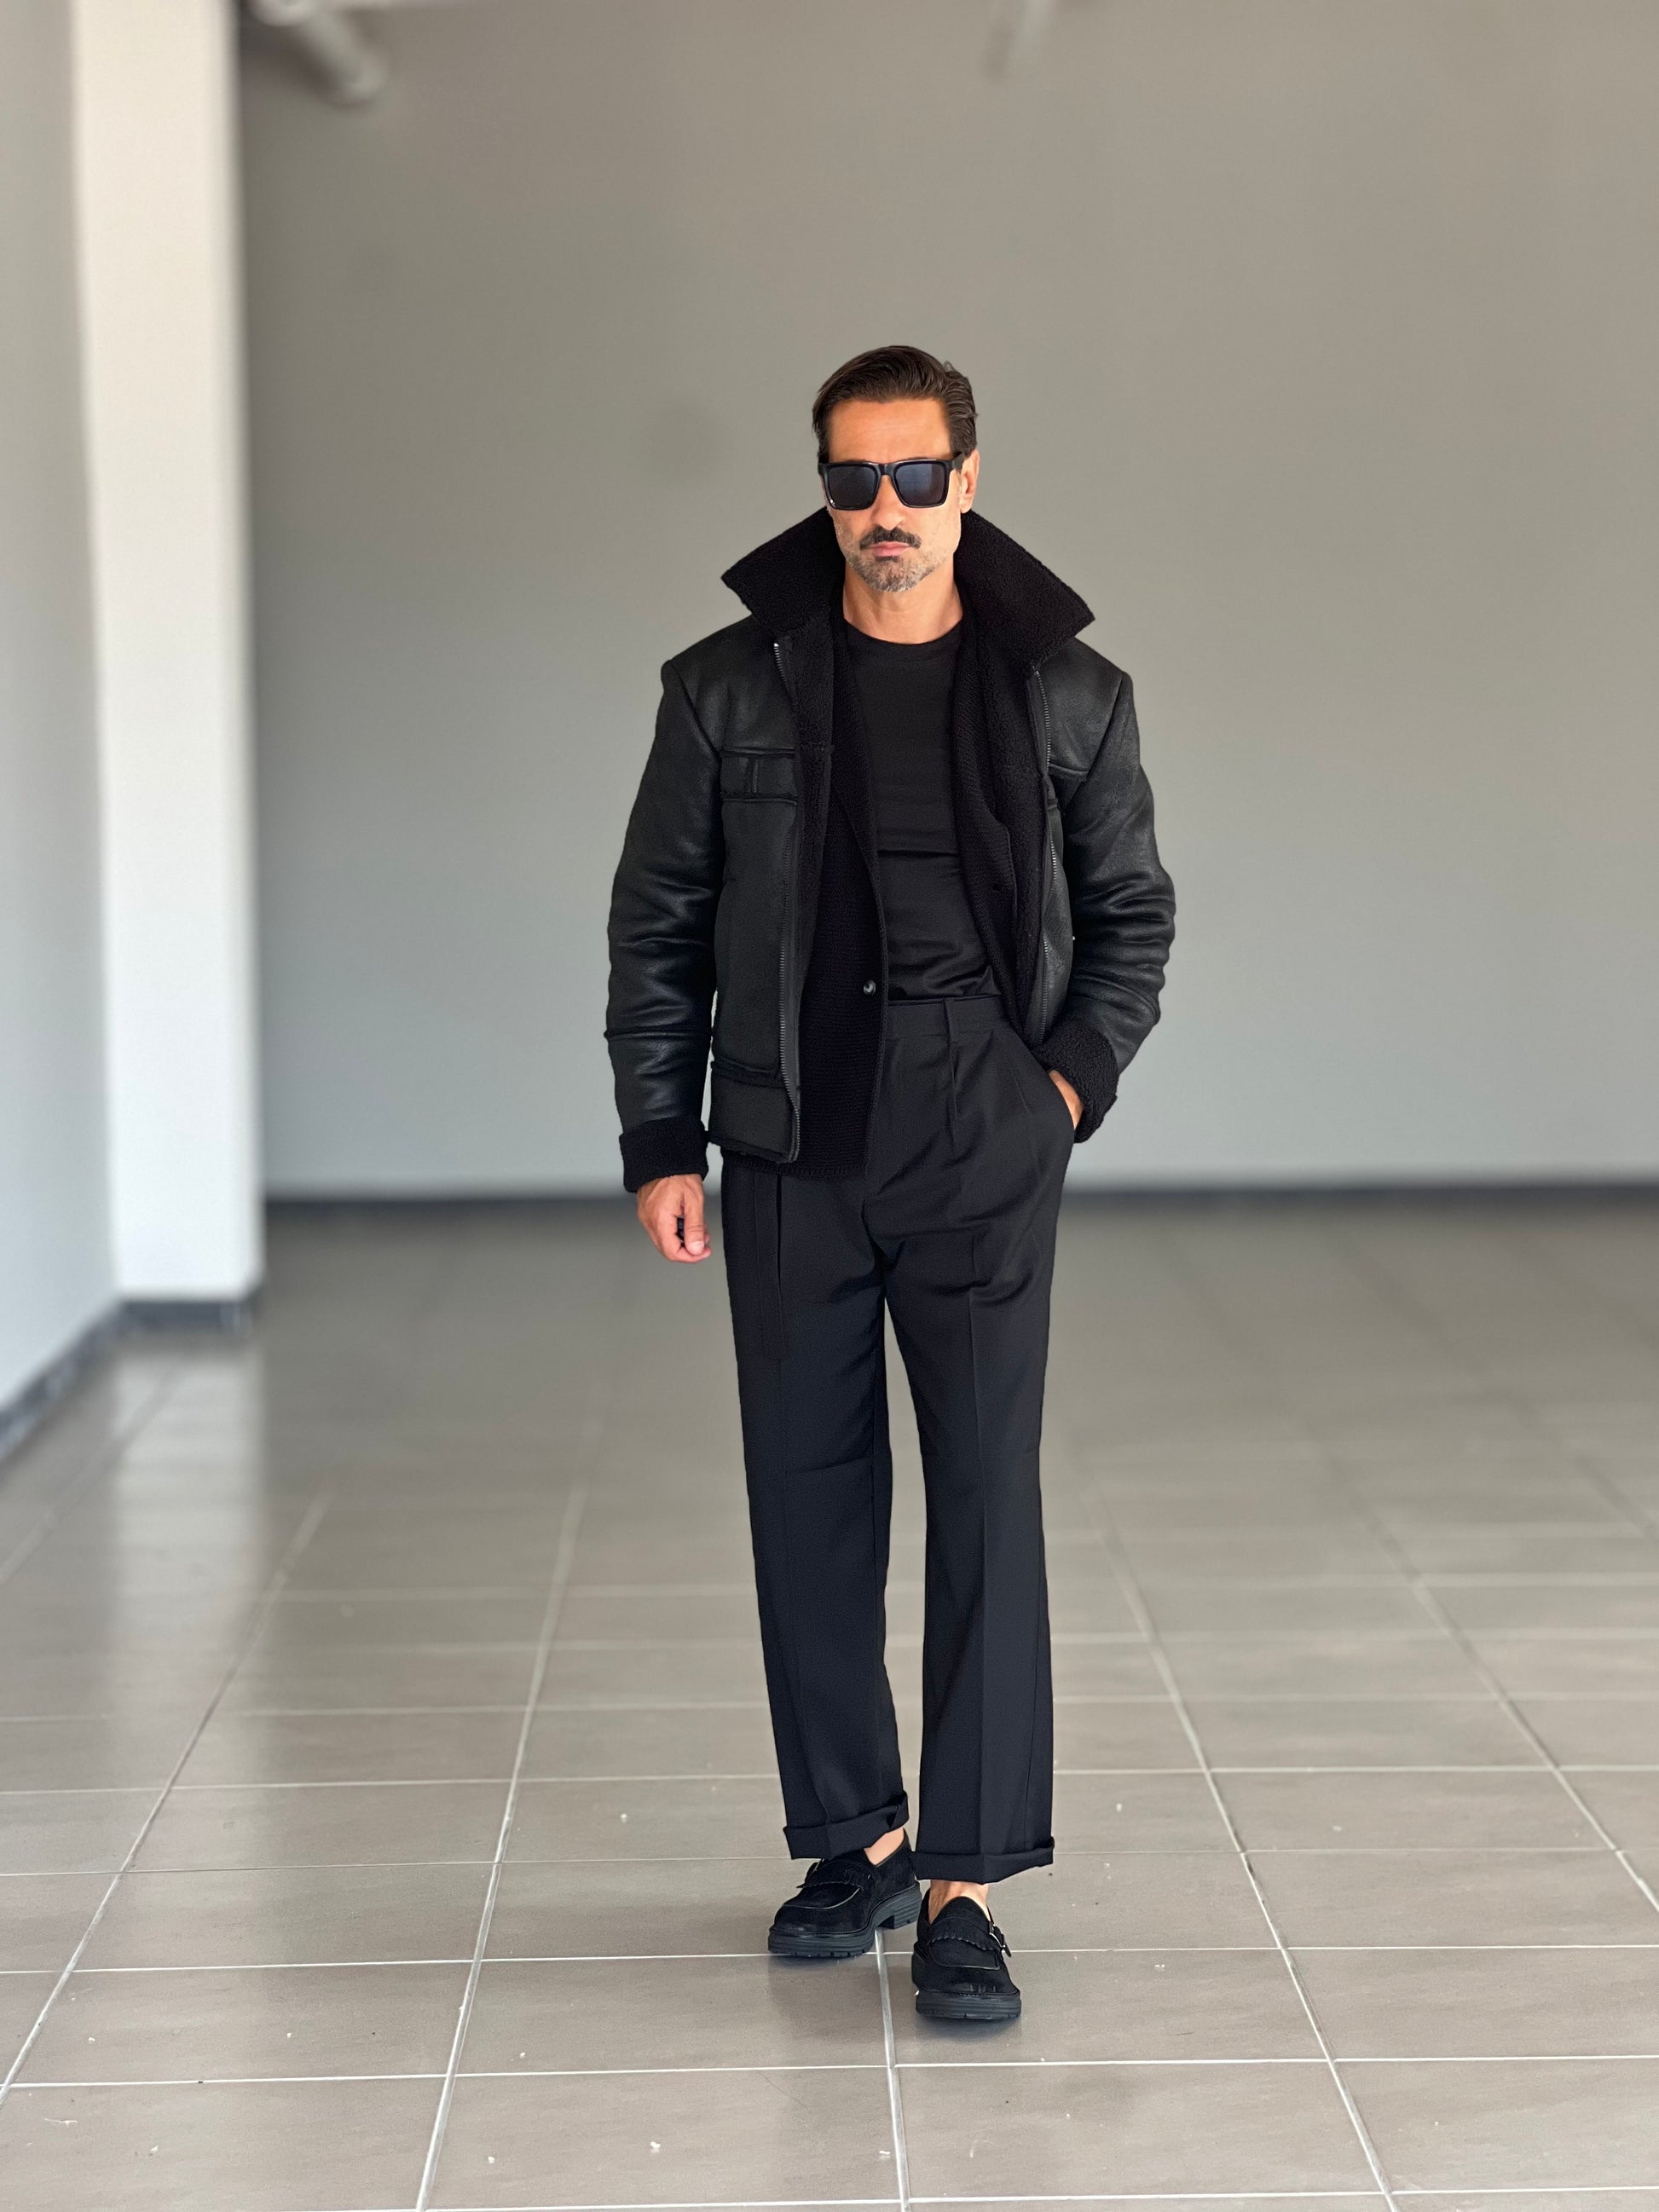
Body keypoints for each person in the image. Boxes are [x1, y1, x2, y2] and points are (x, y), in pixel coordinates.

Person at [605, 344, 1174, 2021]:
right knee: (808, 1492)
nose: (885, 511)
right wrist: (661, 1136)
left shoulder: (1067, 693)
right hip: (794, 1131)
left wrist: (1062, 1087)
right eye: (853, 480)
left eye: (916, 477)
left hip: (982, 1126)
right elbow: (658, 925)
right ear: (825, 490)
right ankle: (853, 1837)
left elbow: (1130, 916)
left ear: (966, 482)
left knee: (985, 1493)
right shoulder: (727, 689)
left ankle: (965, 1882)